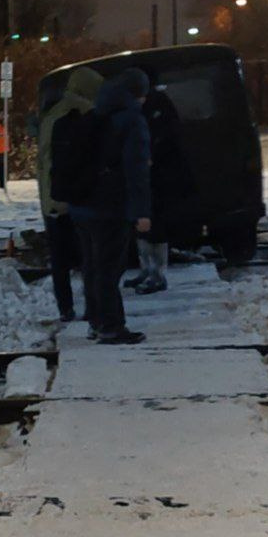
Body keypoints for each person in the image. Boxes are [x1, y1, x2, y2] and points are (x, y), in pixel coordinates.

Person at [68, 68, 152, 345]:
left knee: (92, 266)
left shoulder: (97, 112)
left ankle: (95, 321)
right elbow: (135, 169)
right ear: (138, 94)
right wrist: (141, 211)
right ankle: (111, 326)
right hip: (110, 206)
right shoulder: (131, 120)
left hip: (81, 203)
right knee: (109, 268)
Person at [36, 66, 104, 322]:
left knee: (60, 261)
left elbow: (43, 162)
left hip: (52, 197)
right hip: (76, 197)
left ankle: (65, 308)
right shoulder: (85, 112)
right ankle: (93, 308)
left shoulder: (51, 113)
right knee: (89, 257)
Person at [126, 73, 189, 295]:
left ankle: (157, 273)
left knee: (155, 225)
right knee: (146, 225)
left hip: (160, 175)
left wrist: (151, 156)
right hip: (153, 174)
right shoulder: (150, 106)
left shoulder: (155, 107)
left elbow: (167, 138)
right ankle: (148, 269)